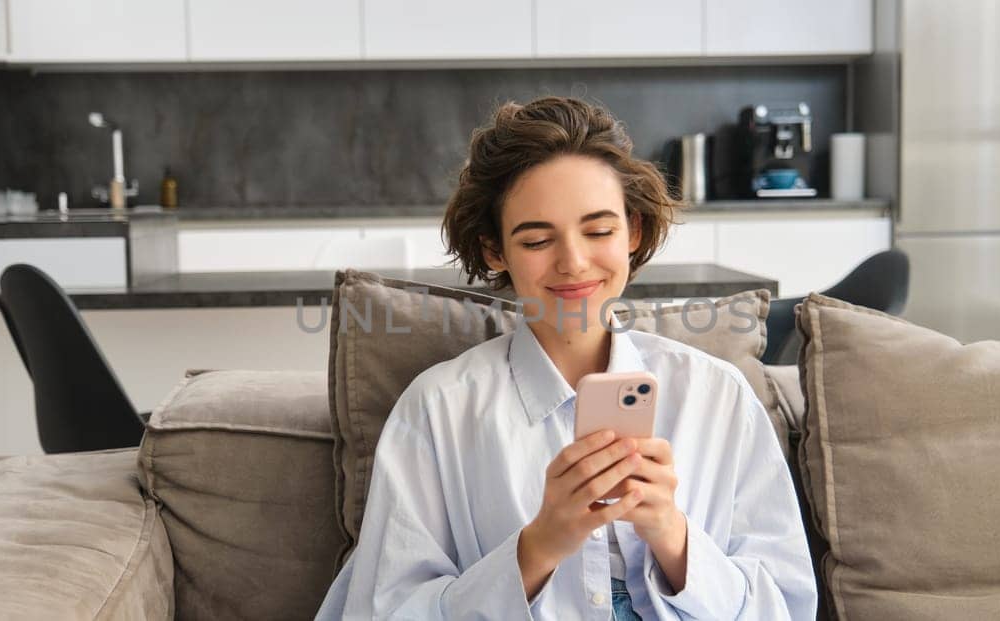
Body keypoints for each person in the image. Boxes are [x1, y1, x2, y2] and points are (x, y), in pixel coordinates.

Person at [317, 96, 815, 620]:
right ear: (494, 251)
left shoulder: (717, 396)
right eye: (536, 239)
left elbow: (784, 606)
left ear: (634, 234)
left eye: (599, 231)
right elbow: (384, 610)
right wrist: (541, 545)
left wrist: (671, 533)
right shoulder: (438, 410)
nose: (574, 263)